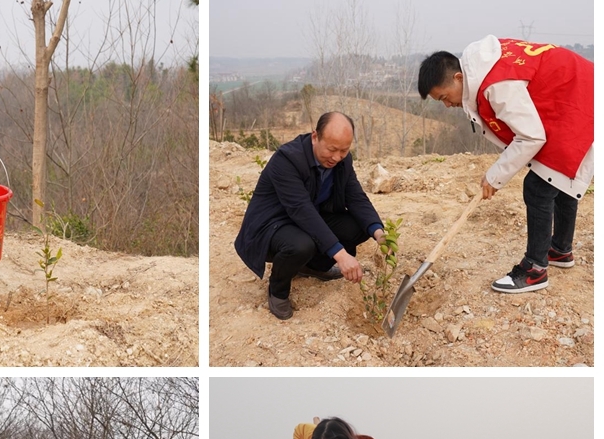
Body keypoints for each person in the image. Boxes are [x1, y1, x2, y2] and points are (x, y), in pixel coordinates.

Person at [418, 37, 593, 294]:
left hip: (582, 101)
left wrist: (495, 176)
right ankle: (560, 250)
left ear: (458, 77)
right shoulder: (482, 66)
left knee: (539, 184)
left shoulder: (496, 85)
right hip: (576, 94)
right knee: (555, 174)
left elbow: (531, 136)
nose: (447, 105)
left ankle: (534, 269)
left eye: (445, 97)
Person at [234, 112, 387, 320]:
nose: (337, 157)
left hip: (308, 219)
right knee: (302, 244)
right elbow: (301, 210)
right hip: (272, 226)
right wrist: (341, 255)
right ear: (315, 137)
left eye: (344, 150)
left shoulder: (342, 161)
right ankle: (277, 290)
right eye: (332, 149)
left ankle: (313, 267)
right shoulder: (287, 159)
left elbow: (356, 196)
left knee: (360, 226)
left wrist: (379, 233)